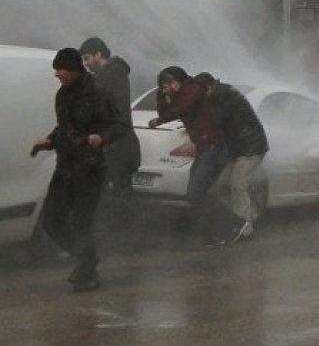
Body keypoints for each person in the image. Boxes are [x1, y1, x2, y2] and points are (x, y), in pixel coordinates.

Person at [30, 48, 128, 292]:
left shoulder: (97, 93)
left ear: (72, 69)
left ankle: (88, 272)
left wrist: (101, 137)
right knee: (52, 221)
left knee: (81, 222)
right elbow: (65, 127)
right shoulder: (63, 94)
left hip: (90, 168)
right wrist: (49, 141)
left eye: (59, 69)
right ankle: (87, 259)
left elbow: (121, 124)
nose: (56, 74)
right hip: (65, 167)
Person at [148, 67, 232, 245]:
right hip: (204, 148)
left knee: (196, 192)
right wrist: (161, 95)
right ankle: (219, 230)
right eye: (164, 86)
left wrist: (161, 120)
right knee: (194, 193)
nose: (168, 88)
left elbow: (182, 108)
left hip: (214, 147)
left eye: (170, 84)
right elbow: (164, 112)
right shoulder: (178, 94)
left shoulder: (193, 89)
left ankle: (232, 225)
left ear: (180, 80)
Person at [193, 73, 269, 243]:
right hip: (237, 149)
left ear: (209, 88)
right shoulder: (216, 96)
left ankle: (246, 229)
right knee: (220, 186)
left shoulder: (225, 97)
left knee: (238, 183)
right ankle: (238, 220)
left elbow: (217, 122)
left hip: (251, 148)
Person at [78, 37, 141, 220]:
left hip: (119, 146)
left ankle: (132, 235)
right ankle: (120, 234)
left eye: (87, 58)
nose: (86, 63)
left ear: (99, 54)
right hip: (114, 145)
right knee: (109, 192)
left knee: (119, 193)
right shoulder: (107, 75)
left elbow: (116, 111)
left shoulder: (114, 74)